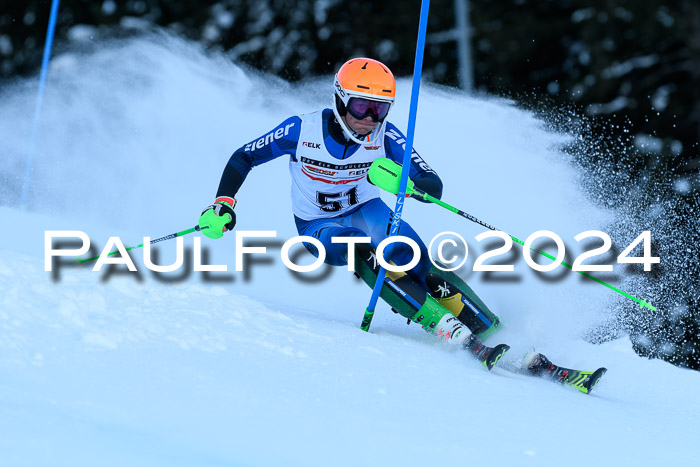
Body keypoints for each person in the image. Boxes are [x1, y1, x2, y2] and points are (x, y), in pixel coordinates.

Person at [198, 58, 509, 370]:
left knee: (412, 256)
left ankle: (487, 324)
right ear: (340, 99)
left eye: (381, 109)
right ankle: (445, 328)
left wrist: (408, 184)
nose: (371, 118)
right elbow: (244, 157)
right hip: (318, 224)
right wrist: (223, 203)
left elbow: (433, 185)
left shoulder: (386, 135)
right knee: (357, 244)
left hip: (366, 209)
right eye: (362, 106)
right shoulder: (300, 130)